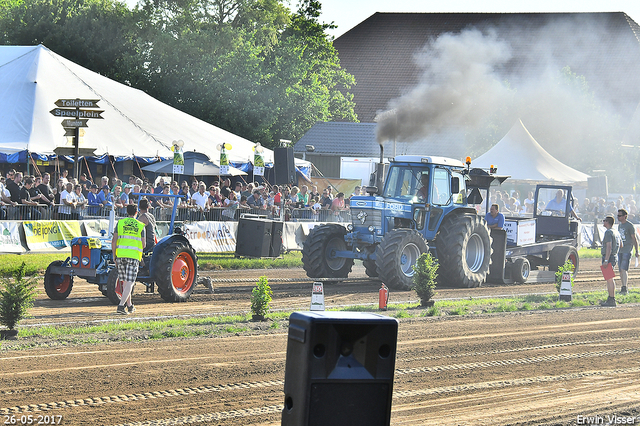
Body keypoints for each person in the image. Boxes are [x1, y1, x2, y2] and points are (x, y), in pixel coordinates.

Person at [111, 204, 145, 315]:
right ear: (137, 212)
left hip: (120, 255)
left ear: (127, 212)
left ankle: (130, 306)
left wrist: (114, 256)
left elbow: (114, 241)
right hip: (133, 256)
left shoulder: (120, 223)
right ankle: (121, 306)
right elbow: (144, 244)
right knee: (130, 282)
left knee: (125, 282)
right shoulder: (141, 226)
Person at [601, 215, 622, 307]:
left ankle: (611, 299)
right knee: (610, 278)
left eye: (604, 221)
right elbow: (621, 245)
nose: (603, 222)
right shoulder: (616, 231)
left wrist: (606, 259)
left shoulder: (608, 232)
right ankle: (611, 298)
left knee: (609, 279)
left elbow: (608, 246)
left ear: (608, 222)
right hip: (614, 256)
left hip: (609, 257)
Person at [616, 208, 639, 295]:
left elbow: (634, 238)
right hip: (620, 250)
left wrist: (637, 250)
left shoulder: (630, 226)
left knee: (624, 269)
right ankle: (623, 286)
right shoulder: (620, 225)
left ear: (625, 216)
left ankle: (625, 288)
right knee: (621, 270)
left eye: (620, 215)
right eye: (618, 215)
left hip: (627, 249)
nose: (618, 217)